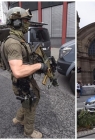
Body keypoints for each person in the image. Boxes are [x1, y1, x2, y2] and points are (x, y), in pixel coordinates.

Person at [2, 7, 48, 138]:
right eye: (26, 20)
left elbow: (25, 61)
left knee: (28, 101)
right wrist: (39, 66)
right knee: (30, 105)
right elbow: (18, 71)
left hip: (25, 80)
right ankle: (29, 132)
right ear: (16, 22)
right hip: (22, 81)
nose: (28, 23)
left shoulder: (18, 40)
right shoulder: (13, 44)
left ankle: (18, 118)